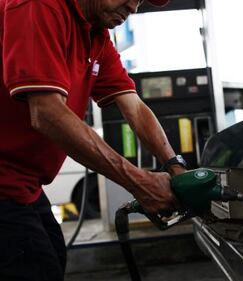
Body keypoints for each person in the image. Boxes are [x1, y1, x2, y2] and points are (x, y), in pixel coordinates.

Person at [0, 0, 186, 280]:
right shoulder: (39, 5)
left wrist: (176, 167)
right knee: (35, 266)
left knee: (51, 254)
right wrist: (140, 182)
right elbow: (47, 113)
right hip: (4, 183)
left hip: (23, 185)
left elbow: (133, 106)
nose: (134, 7)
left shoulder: (97, 36)